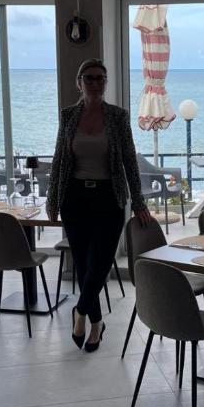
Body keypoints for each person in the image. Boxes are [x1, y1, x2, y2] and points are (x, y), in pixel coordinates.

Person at [47, 59, 150, 352]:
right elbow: (59, 159)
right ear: (79, 83)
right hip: (74, 198)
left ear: (105, 83)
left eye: (100, 78)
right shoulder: (68, 116)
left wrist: (139, 201)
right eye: (89, 78)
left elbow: (129, 160)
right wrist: (53, 199)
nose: (95, 83)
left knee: (101, 262)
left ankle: (79, 311)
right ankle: (95, 323)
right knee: (82, 263)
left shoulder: (118, 116)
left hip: (109, 197)